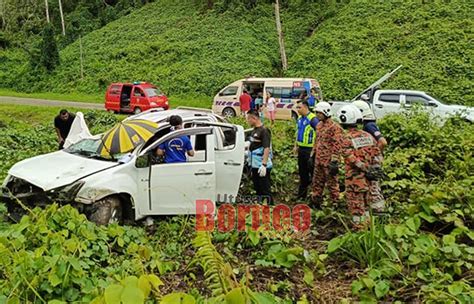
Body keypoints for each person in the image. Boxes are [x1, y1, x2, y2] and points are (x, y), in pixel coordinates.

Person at [337, 104, 383, 229]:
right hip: (368, 180)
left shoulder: (345, 138)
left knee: (357, 209)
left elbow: (351, 159)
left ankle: (359, 232)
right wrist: (375, 169)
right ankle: (369, 230)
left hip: (354, 181)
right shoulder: (368, 136)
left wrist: (364, 168)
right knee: (367, 207)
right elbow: (377, 154)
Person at [352, 100, 387, 213]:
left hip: (374, 160)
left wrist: (374, 155)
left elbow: (382, 142)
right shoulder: (367, 124)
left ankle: (379, 211)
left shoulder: (369, 125)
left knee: (373, 185)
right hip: (371, 159)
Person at [311, 102, 344, 207]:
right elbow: (317, 141)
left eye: (319, 113)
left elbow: (337, 144)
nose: (317, 115)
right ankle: (316, 202)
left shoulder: (335, 127)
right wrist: (312, 155)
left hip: (328, 161)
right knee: (317, 182)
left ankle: (335, 204)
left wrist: (334, 161)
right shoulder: (319, 125)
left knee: (332, 184)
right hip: (319, 159)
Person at [293, 100, 319, 199]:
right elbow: (298, 132)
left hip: (310, 150)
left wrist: (314, 150)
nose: (297, 110)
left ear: (305, 107)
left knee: (312, 173)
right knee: (302, 173)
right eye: (297, 107)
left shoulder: (313, 119)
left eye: (299, 107)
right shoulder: (300, 118)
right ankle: (301, 196)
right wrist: (296, 145)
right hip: (301, 149)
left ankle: (314, 196)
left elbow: (319, 135)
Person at [246, 109, 273, 204]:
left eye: (248, 119)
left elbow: (266, 148)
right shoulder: (254, 130)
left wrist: (264, 165)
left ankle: (271, 207)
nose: (247, 121)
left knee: (265, 188)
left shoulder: (264, 131)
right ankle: (260, 206)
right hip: (254, 164)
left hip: (261, 165)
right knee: (257, 188)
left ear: (253, 118)